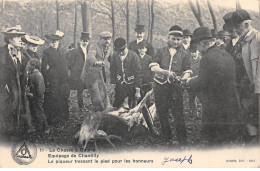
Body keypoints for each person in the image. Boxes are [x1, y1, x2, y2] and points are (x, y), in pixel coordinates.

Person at [186, 26, 241, 145]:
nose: (198, 50)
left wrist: (189, 82)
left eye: (197, 46)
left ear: (201, 44)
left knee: (214, 143)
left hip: (216, 111)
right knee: (227, 143)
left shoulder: (207, 58)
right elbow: (215, 78)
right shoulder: (226, 54)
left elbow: (202, 82)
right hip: (232, 109)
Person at [149, 25, 191, 145]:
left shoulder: (185, 54)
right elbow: (153, 67)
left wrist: (183, 78)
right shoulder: (160, 51)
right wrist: (165, 72)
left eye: (178, 40)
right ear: (168, 38)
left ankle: (183, 141)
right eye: (173, 39)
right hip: (160, 86)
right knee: (163, 113)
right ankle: (167, 139)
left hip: (175, 88)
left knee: (179, 114)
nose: (176, 42)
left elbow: (187, 70)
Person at [231, 9, 260, 139]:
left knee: (253, 123)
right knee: (247, 121)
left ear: (247, 24)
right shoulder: (241, 41)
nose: (235, 30)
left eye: (237, 26)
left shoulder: (257, 39)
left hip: (254, 91)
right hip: (242, 90)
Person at [0, 26, 26, 141]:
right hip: (5, 90)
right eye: (17, 37)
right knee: (6, 113)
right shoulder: (2, 52)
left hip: (18, 88)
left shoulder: (21, 53)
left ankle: (15, 135)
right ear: (10, 39)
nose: (20, 40)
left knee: (17, 110)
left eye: (20, 37)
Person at [42, 30, 70, 124]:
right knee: (53, 97)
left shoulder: (62, 51)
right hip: (52, 77)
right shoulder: (46, 52)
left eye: (56, 41)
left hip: (62, 77)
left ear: (58, 42)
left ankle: (63, 117)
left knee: (63, 96)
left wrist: (66, 77)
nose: (54, 43)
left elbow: (65, 65)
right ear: (49, 42)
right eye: (52, 42)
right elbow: (44, 67)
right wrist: (46, 79)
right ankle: (53, 118)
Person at [81, 31, 113, 112]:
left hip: (102, 76)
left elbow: (111, 59)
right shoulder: (94, 47)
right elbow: (90, 56)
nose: (107, 41)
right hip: (92, 76)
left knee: (102, 96)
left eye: (109, 39)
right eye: (105, 39)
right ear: (100, 39)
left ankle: (98, 114)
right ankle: (96, 115)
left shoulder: (109, 48)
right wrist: (96, 62)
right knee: (97, 98)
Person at [110, 38, 142, 109]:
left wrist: (137, 91)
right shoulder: (115, 56)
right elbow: (113, 71)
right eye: (118, 51)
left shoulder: (134, 56)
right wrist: (112, 86)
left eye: (122, 50)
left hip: (131, 85)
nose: (120, 53)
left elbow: (138, 74)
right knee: (117, 106)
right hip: (119, 85)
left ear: (126, 47)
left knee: (131, 107)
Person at [136, 41, 158, 135]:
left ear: (146, 49)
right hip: (138, 82)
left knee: (147, 100)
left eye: (144, 48)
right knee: (138, 100)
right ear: (138, 49)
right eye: (140, 48)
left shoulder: (149, 58)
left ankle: (147, 120)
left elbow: (152, 71)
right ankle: (138, 118)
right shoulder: (135, 57)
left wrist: (151, 80)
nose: (142, 50)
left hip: (147, 81)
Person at [67, 32, 90, 111]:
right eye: (83, 41)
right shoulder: (75, 51)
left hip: (85, 74)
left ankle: (82, 106)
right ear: (80, 40)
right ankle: (81, 107)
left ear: (88, 41)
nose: (85, 42)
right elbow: (69, 63)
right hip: (77, 74)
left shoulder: (88, 51)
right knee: (79, 90)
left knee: (82, 90)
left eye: (86, 41)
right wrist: (75, 70)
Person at [28, 58, 50, 135]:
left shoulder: (37, 75)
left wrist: (34, 95)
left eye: (30, 64)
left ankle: (45, 128)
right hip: (35, 97)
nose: (28, 66)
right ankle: (39, 128)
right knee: (36, 112)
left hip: (37, 98)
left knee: (39, 112)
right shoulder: (33, 74)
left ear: (34, 66)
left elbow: (40, 89)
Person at [187, 42, 202, 118]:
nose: (193, 54)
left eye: (195, 52)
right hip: (190, 83)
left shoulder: (202, 60)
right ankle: (194, 114)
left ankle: (203, 114)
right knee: (191, 99)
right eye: (192, 52)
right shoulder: (188, 60)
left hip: (199, 82)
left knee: (201, 99)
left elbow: (202, 72)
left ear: (198, 51)